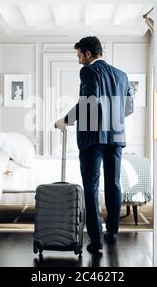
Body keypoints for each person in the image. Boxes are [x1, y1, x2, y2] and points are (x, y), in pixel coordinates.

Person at [55, 37, 134, 255]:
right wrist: (111, 116)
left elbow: (87, 102)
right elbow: (129, 108)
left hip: (93, 138)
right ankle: (113, 232)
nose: (79, 61)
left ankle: (96, 239)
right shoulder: (122, 75)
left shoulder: (89, 71)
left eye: (80, 55)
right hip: (116, 137)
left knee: (91, 186)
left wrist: (66, 120)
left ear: (89, 54)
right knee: (113, 184)